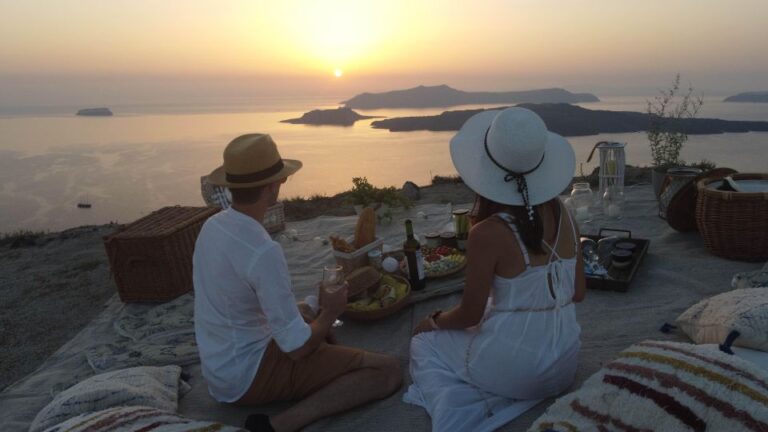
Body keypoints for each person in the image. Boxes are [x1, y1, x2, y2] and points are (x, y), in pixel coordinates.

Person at [193, 134, 402, 432]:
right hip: (246, 375)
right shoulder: (262, 251)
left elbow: (239, 302)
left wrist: (311, 312)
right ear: (273, 186)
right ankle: (279, 425)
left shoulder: (211, 227)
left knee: (304, 308)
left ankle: (323, 365)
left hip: (219, 365)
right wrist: (331, 312)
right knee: (388, 370)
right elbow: (297, 349)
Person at [403, 108, 586, 431]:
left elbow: (469, 315)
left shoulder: (486, 233)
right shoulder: (568, 215)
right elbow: (578, 292)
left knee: (422, 343)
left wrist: (433, 322)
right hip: (564, 364)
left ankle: (486, 395)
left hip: (518, 372)